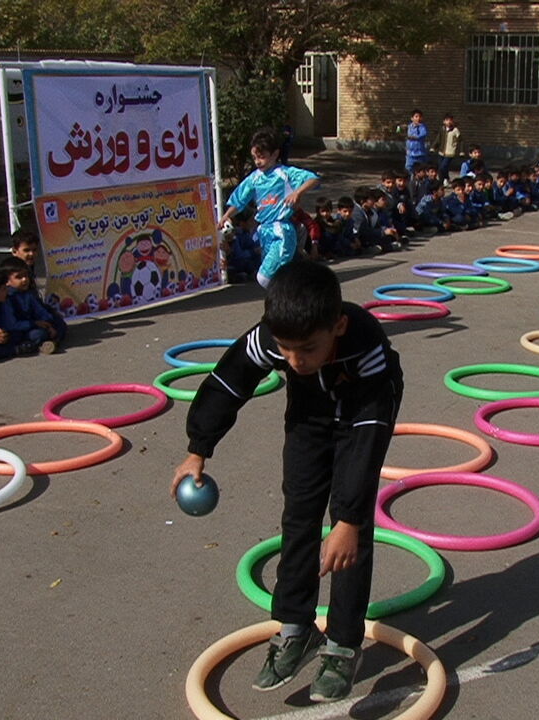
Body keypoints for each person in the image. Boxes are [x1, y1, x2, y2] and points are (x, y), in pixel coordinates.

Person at [170, 261, 403, 704]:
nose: (293, 361)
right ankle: (296, 626)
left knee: (348, 532)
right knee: (298, 512)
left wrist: (350, 518)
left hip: (362, 411)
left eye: (307, 349)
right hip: (309, 414)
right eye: (285, 350)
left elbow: (369, 432)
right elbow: (228, 383)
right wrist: (198, 447)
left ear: (338, 326)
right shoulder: (272, 341)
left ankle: (343, 643)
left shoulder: (365, 346)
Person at [219, 129, 320, 287]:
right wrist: (227, 215)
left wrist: (297, 192)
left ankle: (290, 300)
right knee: (280, 276)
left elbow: (313, 179)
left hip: (281, 230)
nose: (258, 161)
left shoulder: (284, 173)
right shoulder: (255, 178)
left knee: (264, 278)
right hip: (264, 232)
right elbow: (240, 199)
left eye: (262, 157)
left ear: (274, 154)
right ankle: (297, 298)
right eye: (254, 158)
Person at [10, 230, 68, 344]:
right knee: (38, 334)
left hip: (33, 312)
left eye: (34, 250)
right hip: (19, 320)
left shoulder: (29, 267)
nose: (31, 254)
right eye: (26, 250)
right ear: (14, 251)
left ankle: (53, 341)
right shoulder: (9, 272)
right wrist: (35, 322)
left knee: (59, 322)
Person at [0, 257, 59, 353]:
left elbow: (40, 311)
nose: (24, 280)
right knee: (36, 334)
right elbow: (11, 324)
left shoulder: (28, 294)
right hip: (16, 330)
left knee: (58, 322)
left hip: (31, 325)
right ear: (7, 281)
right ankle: (27, 347)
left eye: (26, 276)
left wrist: (48, 324)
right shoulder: (7, 298)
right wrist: (34, 324)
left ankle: (50, 342)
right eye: (19, 277)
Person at [432, 114, 462, 180]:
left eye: (450, 120)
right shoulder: (442, 129)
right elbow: (438, 139)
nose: (449, 122)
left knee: (443, 167)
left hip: (450, 153)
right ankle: (445, 179)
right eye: (447, 120)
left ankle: (442, 181)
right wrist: (433, 147)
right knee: (441, 167)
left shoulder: (455, 130)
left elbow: (461, 141)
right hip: (441, 152)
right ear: (444, 121)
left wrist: (461, 151)